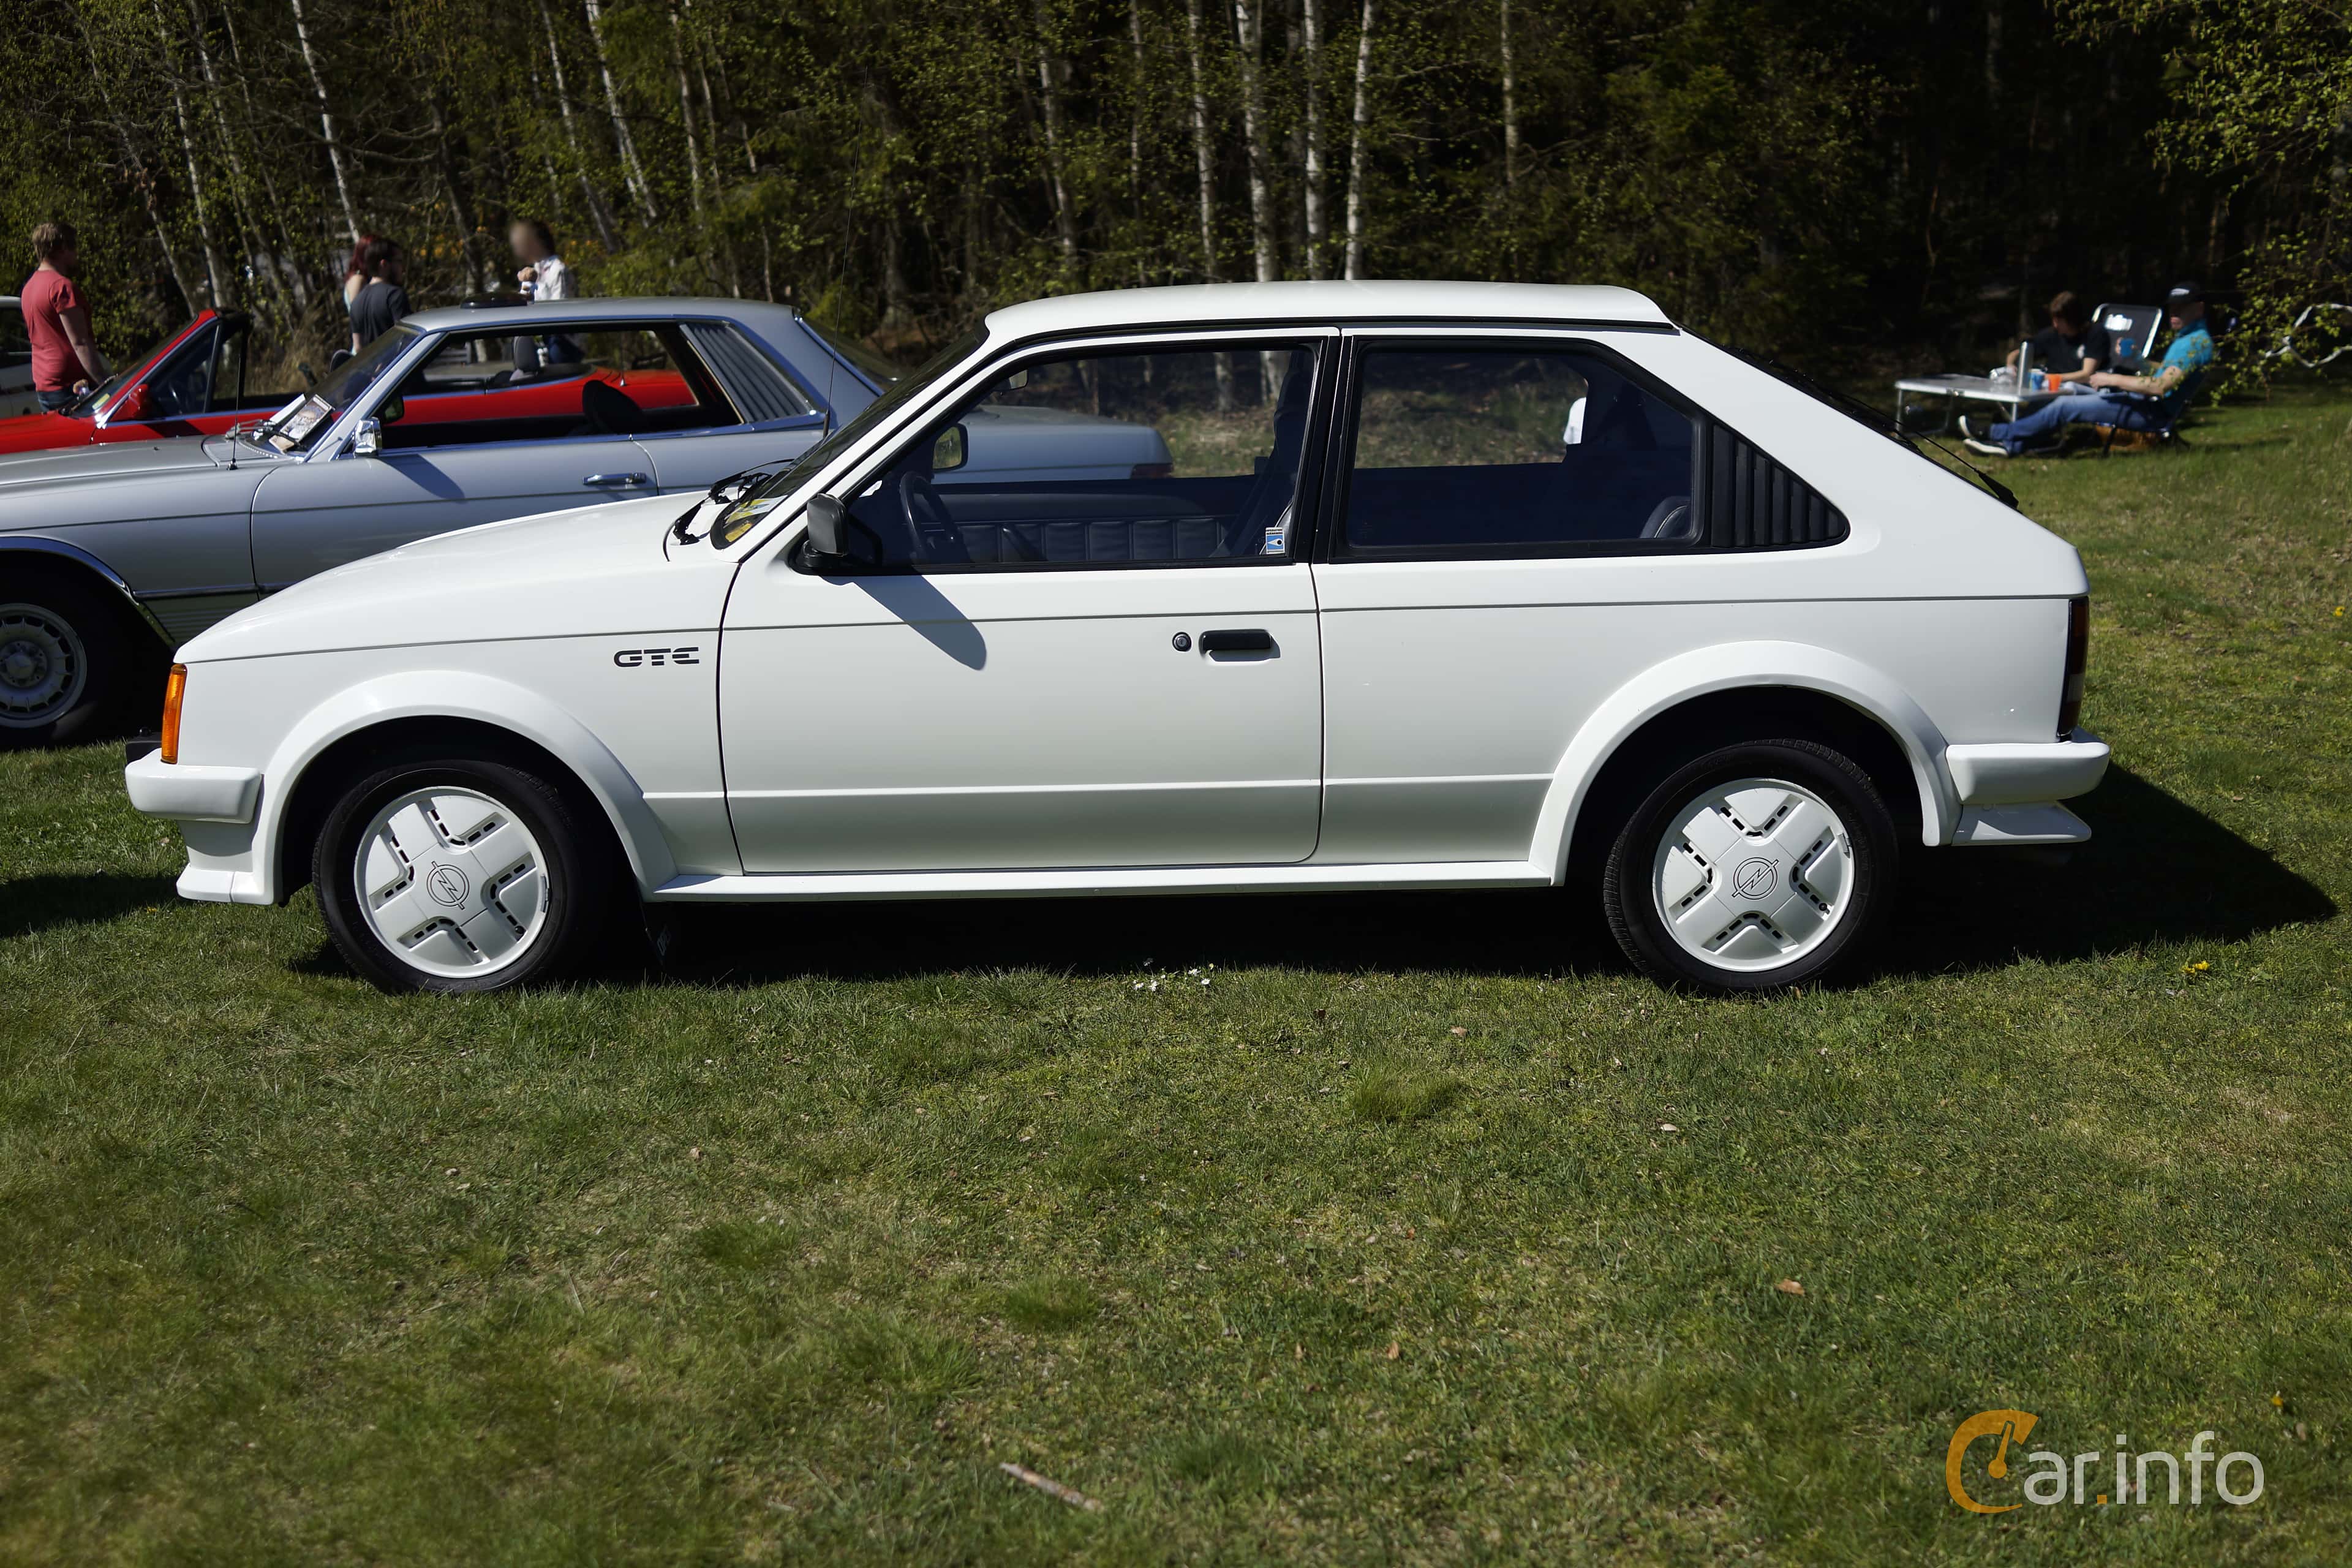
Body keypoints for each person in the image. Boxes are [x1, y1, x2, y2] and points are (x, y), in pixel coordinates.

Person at [1966, 282, 2217, 458]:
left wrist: (2113, 379)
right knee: (2066, 397)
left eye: (2182, 307)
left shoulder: (2198, 344)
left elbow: (2161, 386)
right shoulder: (2188, 339)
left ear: (2199, 308)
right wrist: (2138, 360)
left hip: (2152, 412)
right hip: (2141, 401)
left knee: (2065, 406)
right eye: (2172, 307)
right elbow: (2165, 373)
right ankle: (2010, 446)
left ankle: (1994, 432)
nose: (2174, 312)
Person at [21, 222, 107, 410]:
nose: (76, 252)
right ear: (62, 248)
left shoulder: (29, 288)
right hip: (71, 385)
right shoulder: (61, 287)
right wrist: (104, 382)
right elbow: (80, 343)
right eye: (73, 245)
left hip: (45, 384)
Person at [507, 217, 581, 372]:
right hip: (543, 338)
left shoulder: (558, 270)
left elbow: (560, 310)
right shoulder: (534, 270)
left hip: (561, 341)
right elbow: (527, 304)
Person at [2001, 290, 2110, 389]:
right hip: (2051, 387)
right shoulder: (2051, 335)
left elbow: (2086, 375)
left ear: (2072, 318)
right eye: (2054, 320)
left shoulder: (2095, 333)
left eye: (2059, 321)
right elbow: (2017, 354)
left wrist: (2049, 378)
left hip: (2078, 388)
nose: (2055, 325)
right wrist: (2011, 366)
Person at [347, 236, 412, 353]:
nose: (403, 269)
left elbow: (358, 347)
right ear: (384, 264)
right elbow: (408, 338)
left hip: (372, 365)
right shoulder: (394, 295)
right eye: (399, 262)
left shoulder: (356, 303)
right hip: (399, 363)